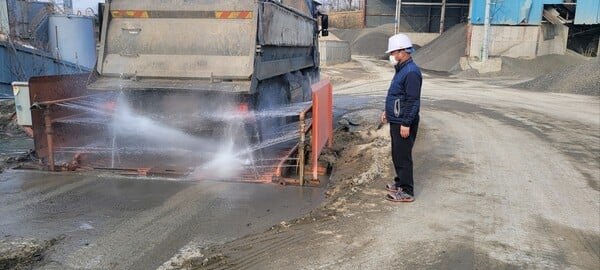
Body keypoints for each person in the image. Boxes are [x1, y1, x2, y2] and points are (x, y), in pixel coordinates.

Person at [380, 34, 422, 202]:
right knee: (397, 154)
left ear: (402, 52)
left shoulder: (411, 72)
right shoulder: (402, 69)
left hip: (404, 122)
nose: (392, 56)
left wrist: (406, 123)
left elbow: (413, 101)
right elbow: (396, 95)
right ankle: (400, 183)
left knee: (403, 156)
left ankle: (407, 191)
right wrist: (387, 112)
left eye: (393, 53)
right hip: (397, 119)